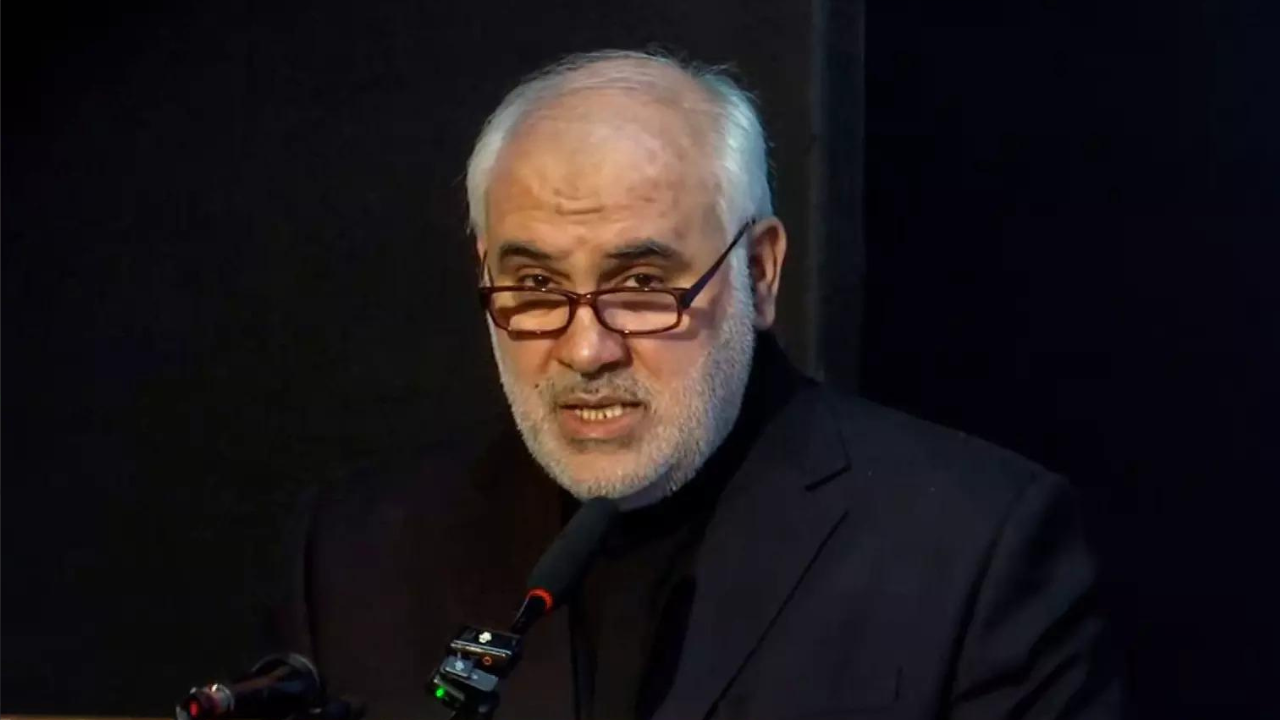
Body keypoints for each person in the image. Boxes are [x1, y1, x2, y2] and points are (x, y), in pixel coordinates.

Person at [271, 50, 1123, 719]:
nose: (586, 349)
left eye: (643, 284)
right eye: (534, 286)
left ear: (761, 271)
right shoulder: (357, 554)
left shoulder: (974, 551)